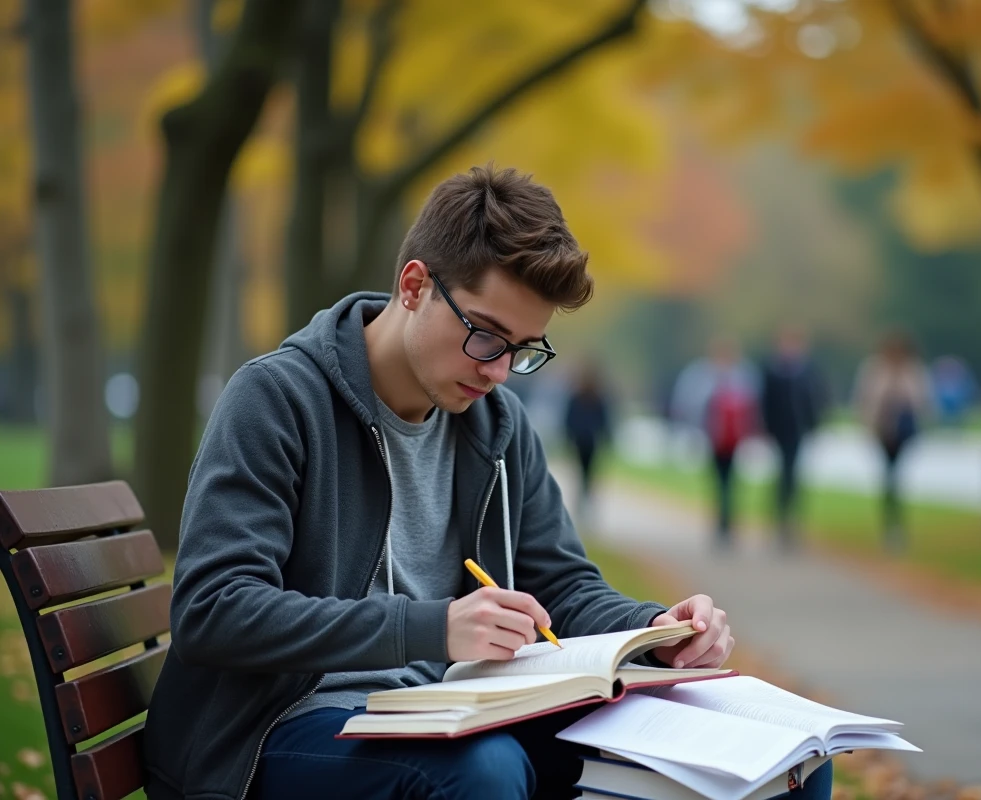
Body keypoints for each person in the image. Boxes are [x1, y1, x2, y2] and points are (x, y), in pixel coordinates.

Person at [143, 165, 834, 800]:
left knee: (778, 756)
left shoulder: (496, 424)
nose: (499, 371)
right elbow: (214, 608)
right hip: (277, 730)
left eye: (523, 350)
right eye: (486, 335)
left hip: (458, 710)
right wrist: (431, 627)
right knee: (485, 770)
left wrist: (653, 628)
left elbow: (562, 585)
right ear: (413, 286)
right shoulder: (277, 399)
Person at [670, 337, 760, 550]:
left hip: (734, 439)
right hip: (714, 437)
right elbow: (689, 403)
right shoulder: (702, 375)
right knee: (720, 481)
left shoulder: (743, 375)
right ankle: (723, 522)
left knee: (729, 481)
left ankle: (725, 522)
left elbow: (753, 406)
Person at [853, 331, 933, 553]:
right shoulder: (875, 369)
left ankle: (896, 524)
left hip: (904, 432)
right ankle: (891, 524)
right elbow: (865, 400)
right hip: (883, 431)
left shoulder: (913, 370)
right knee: (890, 477)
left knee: (895, 477)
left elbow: (922, 401)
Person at [760, 326, 827, 550]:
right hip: (780, 430)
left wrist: (814, 424)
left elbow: (816, 399)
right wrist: (767, 428)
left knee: (793, 474)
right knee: (785, 473)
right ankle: (781, 518)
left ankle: (791, 519)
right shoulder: (773, 371)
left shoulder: (807, 371)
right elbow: (766, 402)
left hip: (799, 430)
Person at [562, 359, 612, 523]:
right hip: (583, 440)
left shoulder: (595, 398)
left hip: (588, 441)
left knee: (586, 474)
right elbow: (570, 419)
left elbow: (603, 420)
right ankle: (582, 504)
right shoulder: (580, 396)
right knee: (584, 474)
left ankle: (584, 504)